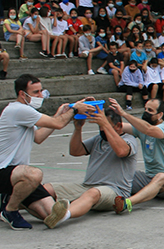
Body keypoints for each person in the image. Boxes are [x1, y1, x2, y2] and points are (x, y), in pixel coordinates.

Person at [0, 74, 75, 229]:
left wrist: (58, 116)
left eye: (41, 91)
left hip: (16, 175)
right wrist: (75, 110)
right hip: (5, 171)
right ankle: (10, 210)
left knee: (54, 216)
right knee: (34, 174)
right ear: (22, 94)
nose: (41, 96)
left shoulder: (24, 112)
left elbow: (39, 137)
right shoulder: (18, 110)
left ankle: (9, 198)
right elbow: (58, 124)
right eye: (36, 92)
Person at [49, 104, 140, 225]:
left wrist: (105, 124)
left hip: (115, 191)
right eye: (100, 126)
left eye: (104, 125)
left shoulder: (129, 140)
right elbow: (75, 151)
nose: (101, 129)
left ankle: (64, 214)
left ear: (118, 126)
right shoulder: (99, 139)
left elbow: (121, 151)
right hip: (88, 186)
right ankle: (35, 209)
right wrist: (78, 128)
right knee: (48, 188)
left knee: (93, 193)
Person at [108, 98, 164, 213]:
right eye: (145, 109)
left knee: (161, 177)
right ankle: (106, 198)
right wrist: (100, 115)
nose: (145, 112)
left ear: (160, 115)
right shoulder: (141, 128)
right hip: (149, 179)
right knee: (123, 172)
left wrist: (123, 113)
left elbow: (149, 130)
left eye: (150, 110)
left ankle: (128, 202)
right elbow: (118, 126)